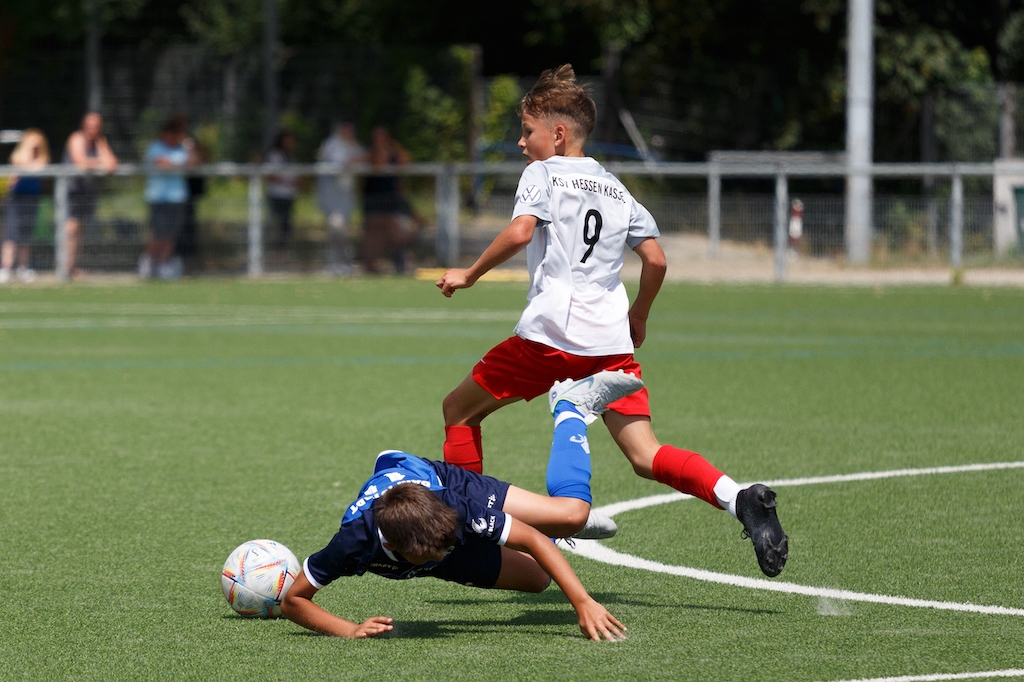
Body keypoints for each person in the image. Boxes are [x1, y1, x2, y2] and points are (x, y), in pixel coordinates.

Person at [435, 65, 789, 578]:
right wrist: (638, 314)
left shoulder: (543, 174)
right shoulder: (617, 189)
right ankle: (739, 498)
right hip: (609, 342)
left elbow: (520, 233)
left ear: (558, 134)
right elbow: (657, 260)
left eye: (528, 131)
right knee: (645, 454)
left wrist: (468, 274)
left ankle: (470, 527)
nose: (521, 143)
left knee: (459, 411)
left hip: (551, 338)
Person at [281, 370, 643, 641]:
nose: (441, 552)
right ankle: (545, 526)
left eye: (446, 543)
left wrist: (583, 602)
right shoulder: (353, 543)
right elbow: (294, 601)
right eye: (432, 554)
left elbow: (530, 539)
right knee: (538, 579)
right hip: (426, 525)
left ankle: (570, 407)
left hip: (447, 484)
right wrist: (349, 629)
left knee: (571, 516)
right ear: (390, 546)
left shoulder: (454, 509)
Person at [140, 117, 198, 280]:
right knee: (159, 234)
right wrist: (180, 167)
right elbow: (161, 164)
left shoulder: (182, 149)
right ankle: (148, 261)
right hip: (158, 197)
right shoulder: (155, 147)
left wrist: (189, 147)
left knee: (171, 235)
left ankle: (163, 265)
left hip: (177, 197)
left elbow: (193, 166)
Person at [62, 112, 118, 279]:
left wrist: (97, 158)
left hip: (88, 192)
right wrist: (99, 163)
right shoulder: (76, 138)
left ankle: (71, 266)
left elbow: (112, 163)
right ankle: (63, 266)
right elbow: (80, 161)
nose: (94, 129)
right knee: (71, 228)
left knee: (80, 229)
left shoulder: (99, 142)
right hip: (72, 191)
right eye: (91, 125)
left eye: (97, 126)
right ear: (84, 125)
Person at [360, 125, 422, 274]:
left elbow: (406, 162)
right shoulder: (370, 154)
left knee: (411, 226)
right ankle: (371, 264)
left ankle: (399, 256)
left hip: (394, 200)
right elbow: (378, 164)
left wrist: (393, 146)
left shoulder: (394, 152)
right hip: (376, 201)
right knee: (375, 235)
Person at [316, 121, 365, 276]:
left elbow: (363, 159)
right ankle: (340, 262)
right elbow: (341, 163)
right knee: (335, 228)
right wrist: (354, 160)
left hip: (345, 198)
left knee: (339, 229)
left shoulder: (353, 145)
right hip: (330, 197)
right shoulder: (331, 145)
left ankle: (342, 264)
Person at [1, 129, 49, 284]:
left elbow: (40, 167)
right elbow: (20, 163)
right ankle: (6, 268)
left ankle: (23, 267)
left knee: (26, 234)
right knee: (11, 234)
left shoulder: (42, 157)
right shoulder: (19, 154)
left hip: (32, 198)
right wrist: (28, 150)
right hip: (16, 198)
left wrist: (31, 163)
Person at [266, 130, 299, 256]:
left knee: (286, 225)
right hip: (277, 195)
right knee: (275, 224)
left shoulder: (291, 156)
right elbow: (271, 176)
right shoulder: (274, 155)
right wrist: (287, 182)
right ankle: (271, 251)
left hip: (289, 195)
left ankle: (281, 251)